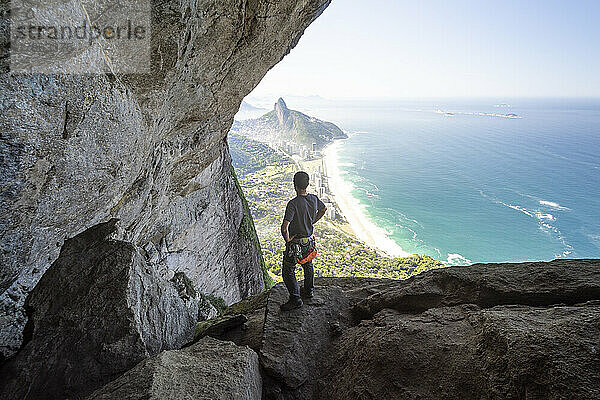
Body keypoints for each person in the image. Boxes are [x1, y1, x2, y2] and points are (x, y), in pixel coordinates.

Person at [280, 171, 327, 311]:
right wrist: (312, 222)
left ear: (294, 186)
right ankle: (309, 291)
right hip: (309, 241)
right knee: (308, 264)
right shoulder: (313, 199)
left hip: (296, 243)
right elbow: (323, 209)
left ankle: (295, 299)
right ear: (308, 184)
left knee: (288, 270)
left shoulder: (293, 204)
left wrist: (288, 240)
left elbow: (284, 228)